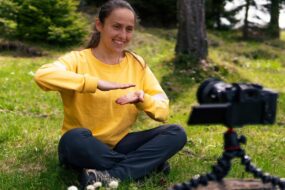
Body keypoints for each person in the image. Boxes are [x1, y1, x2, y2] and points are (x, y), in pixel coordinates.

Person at [34, 0, 187, 188]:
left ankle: (108, 175)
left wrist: (142, 99)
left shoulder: (137, 64)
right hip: (83, 145)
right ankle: (146, 167)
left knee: (176, 132)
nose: (123, 35)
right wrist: (95, 83)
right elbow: (42, 76)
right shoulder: (77, 59)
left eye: (129, 29)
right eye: (116, 27)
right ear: (99, 25)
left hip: (120, 143)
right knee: (73, 138)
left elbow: (163, 109)